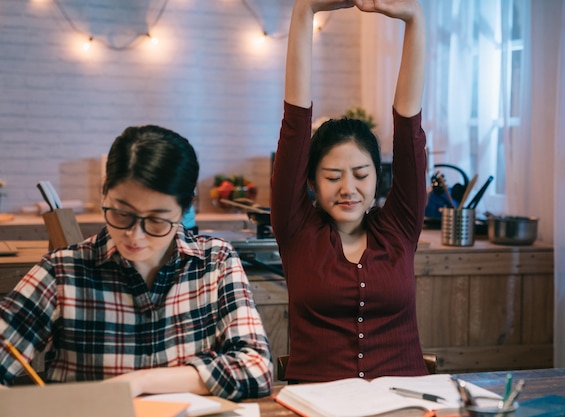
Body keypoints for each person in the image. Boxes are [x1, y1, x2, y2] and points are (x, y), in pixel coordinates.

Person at [0, 125, 273, 399]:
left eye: (156, 220)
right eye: (121, 213)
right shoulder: (63, 271)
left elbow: (257, 368)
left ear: (185, 209)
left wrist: (140, 382)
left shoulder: (214, 261)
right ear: (104, 193)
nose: (134, 235)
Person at [271, 0, 429, 382]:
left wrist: (414, 19)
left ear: (378, 176)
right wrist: (305, 10)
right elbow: (295, 126)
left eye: (361, 174)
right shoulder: (296, 231)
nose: (349, 189)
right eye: (332, 176)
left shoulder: (400, 228)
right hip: (318, 404)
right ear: (309, 181)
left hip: (404, 402)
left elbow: (409, 128)